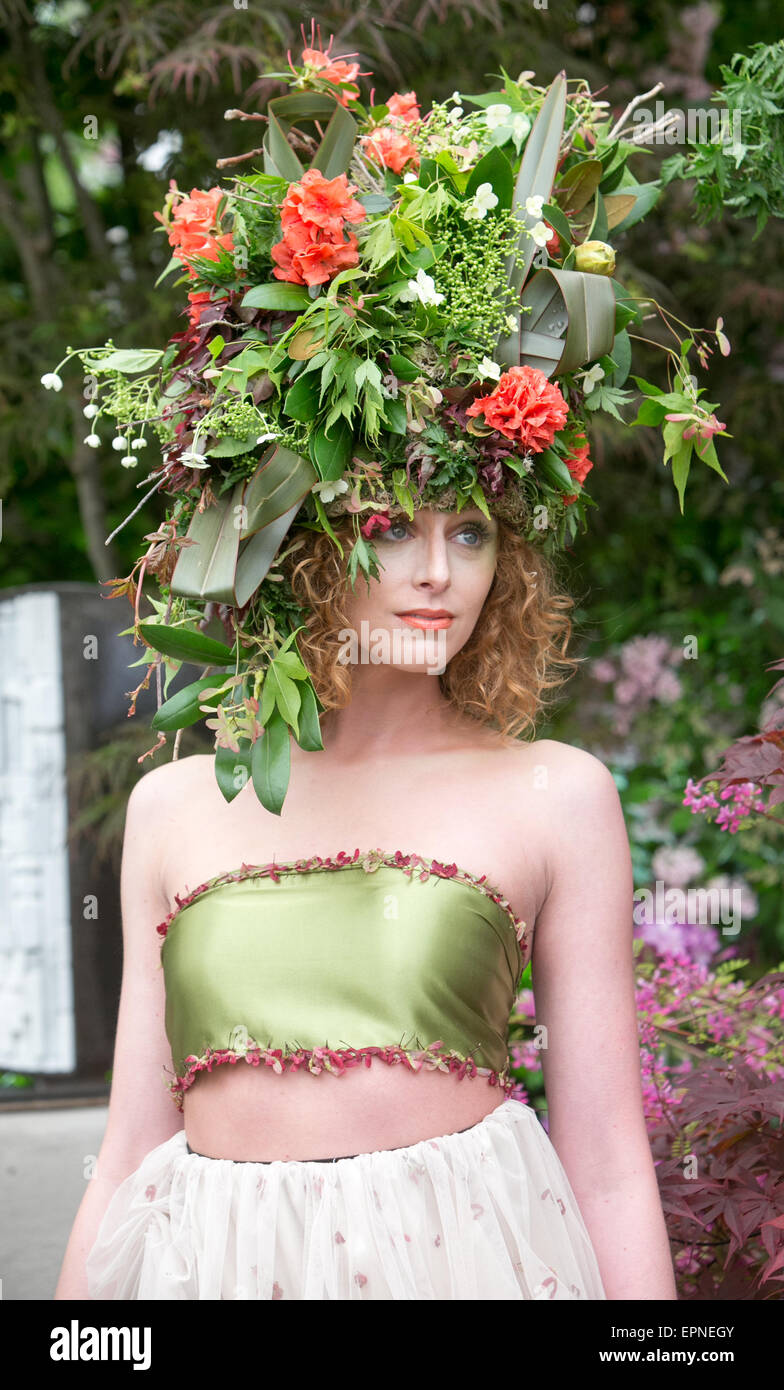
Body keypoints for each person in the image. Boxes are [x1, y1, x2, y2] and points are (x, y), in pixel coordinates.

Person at [55, 504, 677, 1300]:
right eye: (389, 528)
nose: (438, 572)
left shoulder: (555, 794)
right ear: (298, 546)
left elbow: (609, 1168)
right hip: (215, 1269)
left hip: (461, 1266)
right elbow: (129, 1155)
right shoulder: (176, 804)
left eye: (470, 534)